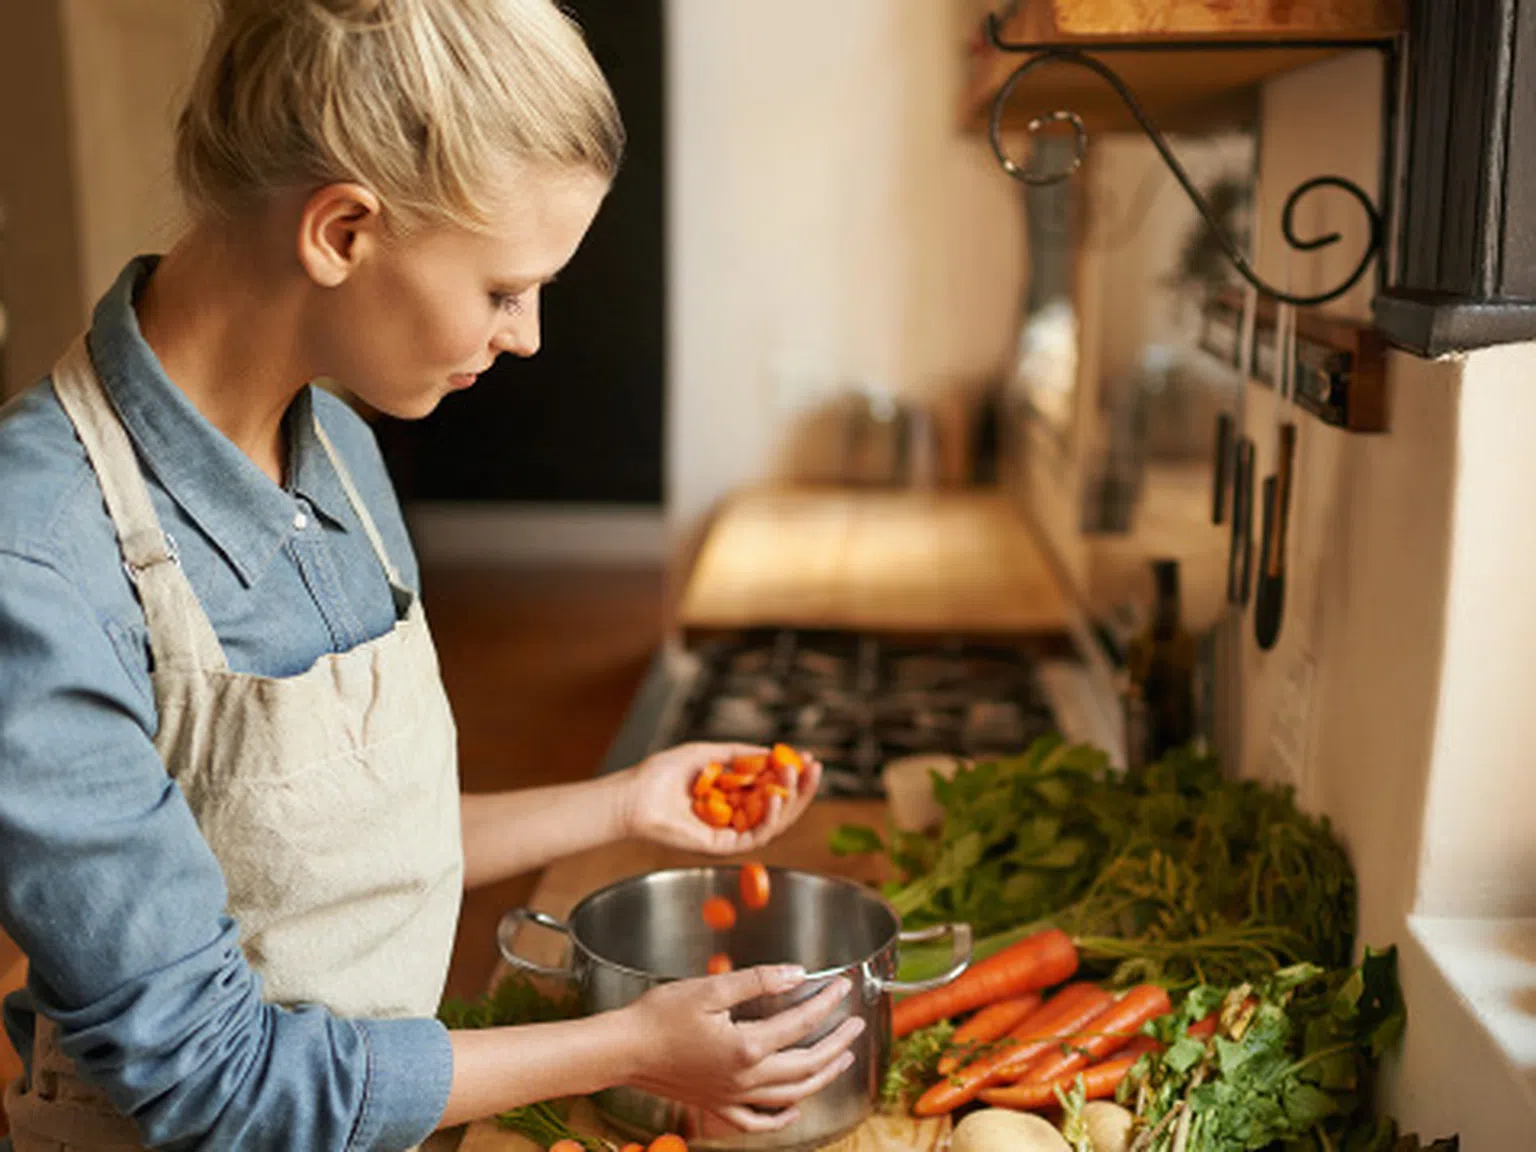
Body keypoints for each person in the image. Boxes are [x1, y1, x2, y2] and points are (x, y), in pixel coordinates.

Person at [0, 1, 863, 1148]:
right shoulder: (38, 554)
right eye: (505, 290)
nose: (530, 336)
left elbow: (315, 852)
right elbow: (217, 1082)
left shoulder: (344, 453)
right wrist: (636, 1046)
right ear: (343, 232)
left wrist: (625, 802)